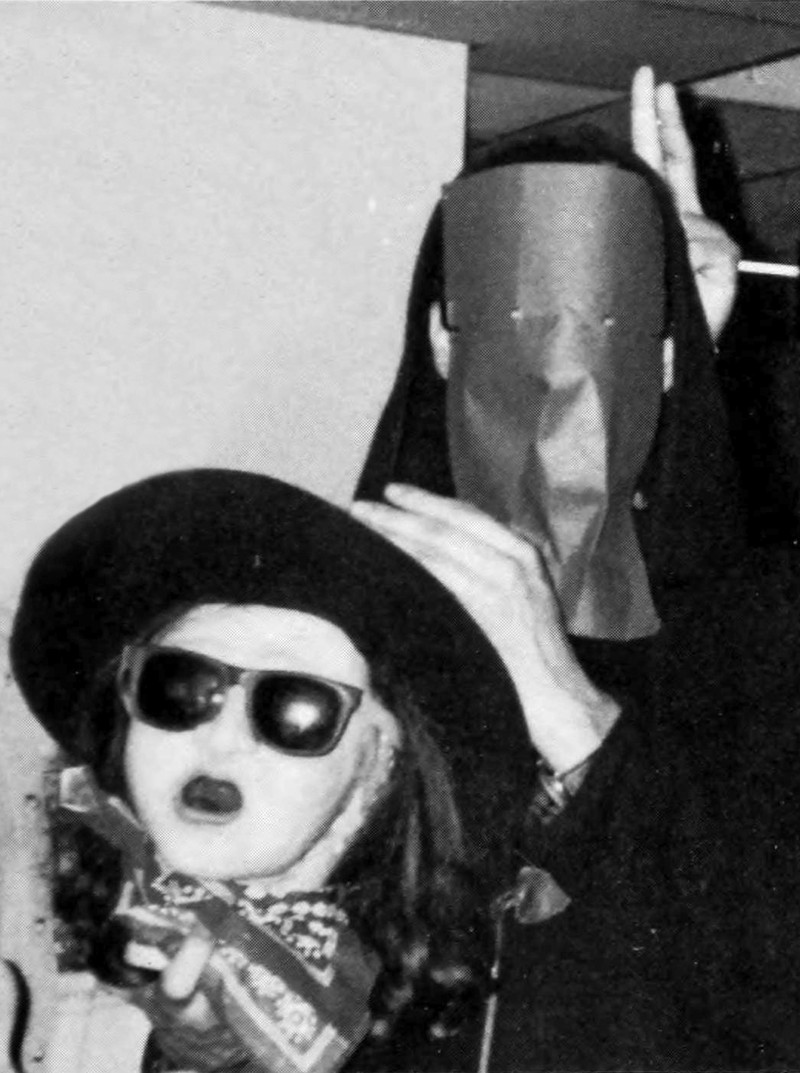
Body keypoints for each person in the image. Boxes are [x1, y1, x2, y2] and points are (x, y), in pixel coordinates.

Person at [9, 468, 535, 1073]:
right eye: (180, 686)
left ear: (380, 764)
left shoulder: (461, 1026)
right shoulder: (40, 956)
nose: (222, 739)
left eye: (293, 708)